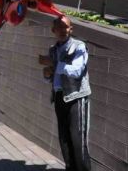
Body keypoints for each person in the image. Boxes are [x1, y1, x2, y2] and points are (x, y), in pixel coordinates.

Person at [39, 16, 91, 171]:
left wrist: (54, 64)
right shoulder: (53, 49)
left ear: (71, 29)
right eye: (59, 27)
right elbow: (53, 77)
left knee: (77, 140)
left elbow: (77, 70)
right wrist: (47, 73)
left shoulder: (79, 46)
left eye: (65, 27)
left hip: (76, 97)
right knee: (64, 139)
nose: (62, 30)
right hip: (59, 97)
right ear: (53, 30)